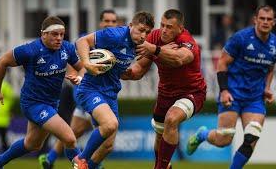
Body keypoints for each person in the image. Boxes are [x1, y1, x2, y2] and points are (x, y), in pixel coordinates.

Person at [186, 5, 276, 169]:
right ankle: (202, 135)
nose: (265, 22)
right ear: (255, 20)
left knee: (251, 138)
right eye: (262, 18)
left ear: (274, 22)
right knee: (224, 139)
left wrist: (267, 87)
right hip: (233, 93)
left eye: (269, 19)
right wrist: (224, 90)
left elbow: (270, 68)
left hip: (255, 98)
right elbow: (222, 63)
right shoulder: (241, 38)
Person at [0, 16, 84, 169]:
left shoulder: (67, 48)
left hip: (52, 103)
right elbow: (2, 61)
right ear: (43, 34)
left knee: (32, 144)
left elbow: (82, 67)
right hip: (33, 104)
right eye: (55, 34)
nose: (59, 38)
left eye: (62, 34)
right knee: (70, 138)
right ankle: (83, 166)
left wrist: (79, 77)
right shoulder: (30, 50)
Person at [121, 9, 207, 169]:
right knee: (159, 138)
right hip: (165, 94)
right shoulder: (154, 37)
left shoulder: (188, 41)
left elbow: (179, 59)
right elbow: (139, 69)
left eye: (169, 27)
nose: (164, 30)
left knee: (171, 118)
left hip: (192, 92)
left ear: (180, 28)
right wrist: (121, 73)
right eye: (162, 25)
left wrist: (155, 49)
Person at [72, 11, 154, 169]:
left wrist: (126, 74)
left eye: (147, 32)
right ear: (131, 26)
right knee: (110, 124)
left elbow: (120, 69)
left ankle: (87, 166)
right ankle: (80, 159)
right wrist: (87, 64)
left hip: (111, 93)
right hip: (91, 88)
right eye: (141, 30)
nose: (144, 35)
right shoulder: (114, 34)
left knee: (108, 145)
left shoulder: (140, 46)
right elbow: (82, 41)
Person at [39, 9, 118, 169]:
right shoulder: (90, 41)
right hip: (88, 93)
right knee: (106, 139)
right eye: (106, 21)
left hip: (102, 94)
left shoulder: (117, 44)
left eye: (113, 21)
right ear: (100, 23)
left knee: (74, 132)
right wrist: (79, 78)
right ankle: (90, 164)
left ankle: (50, 158)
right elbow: (77, 65)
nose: (109, 24)